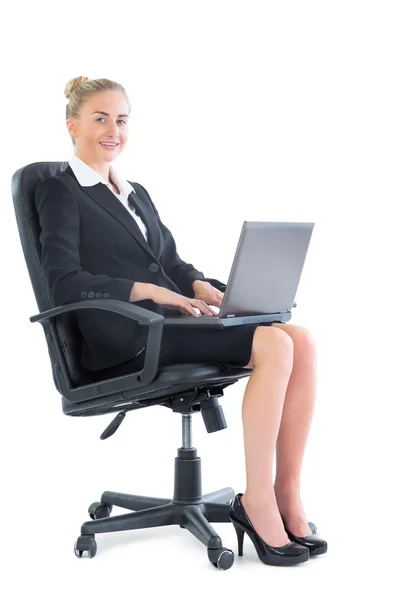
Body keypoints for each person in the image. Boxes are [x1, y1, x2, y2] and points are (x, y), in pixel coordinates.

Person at [35, 76, 327, 567]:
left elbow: (168, 261)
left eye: (121, 119)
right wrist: (147, 291)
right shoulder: (58, 190)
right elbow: (63, 281)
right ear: (73, 125)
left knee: (300, 338)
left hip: (165, 325)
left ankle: (286, 493)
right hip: (124, 333)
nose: (113, 129)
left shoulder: (135, 191)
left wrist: (199, 286)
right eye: (100, 118)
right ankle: (255, 503)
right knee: (274, 346)